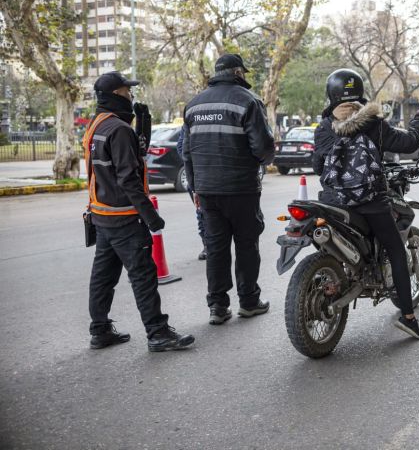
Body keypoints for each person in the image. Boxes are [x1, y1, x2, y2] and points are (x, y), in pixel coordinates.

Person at [312, 69, 419, 339]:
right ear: (359, 93)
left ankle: (331, 284)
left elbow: (318, 166)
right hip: (370, 202)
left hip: (334, 203)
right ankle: (408, 318)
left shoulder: (323, 127)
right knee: (396, 250)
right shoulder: (374, 123)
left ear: (331, 94)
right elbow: (409, 142)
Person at [84, 71, 195, 352]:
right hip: (124, 216)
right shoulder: (119, 130)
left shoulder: (97, 125)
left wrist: (142, 125)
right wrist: (150, 215)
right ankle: (158, 333)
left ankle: (100, 329)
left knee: (103, 275)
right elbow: (128, 178)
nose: (130, 96)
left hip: (102, 214)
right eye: (126, 92)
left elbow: (132, 156)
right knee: (143, 275)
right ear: (115, 95)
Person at [181, 54, 276, 325]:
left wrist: (196, 187)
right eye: (242, 72)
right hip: (241, 189)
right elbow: (264, 148)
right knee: (247, 244)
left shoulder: (193, 105)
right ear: (237, 72)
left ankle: (218, 307)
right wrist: (263, 162)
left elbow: (187, 153)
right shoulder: (248, 101)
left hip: (207, 191)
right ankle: (248, 301)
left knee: (215, 247)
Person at [176, 129, 207, 260]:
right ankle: (209, 245)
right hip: (199, 177)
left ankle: (211, 246)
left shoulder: (192, 114)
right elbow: (182, 148)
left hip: (199, 177)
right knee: (202, 212)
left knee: (204, 213)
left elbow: (182, 148)